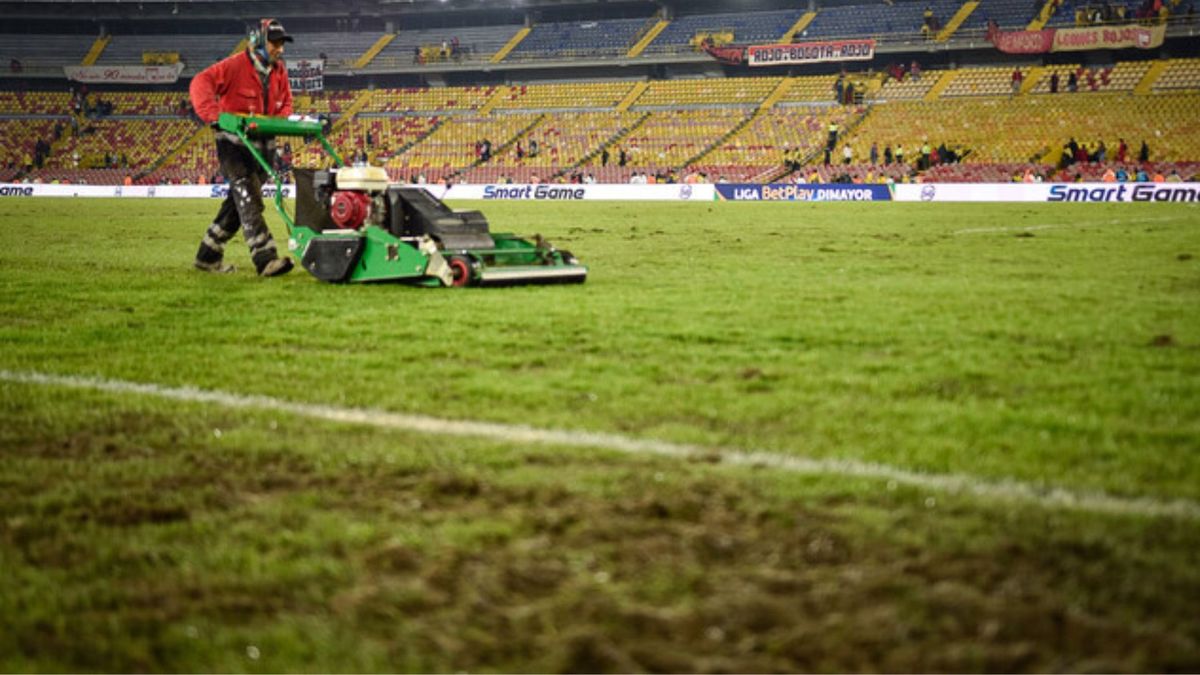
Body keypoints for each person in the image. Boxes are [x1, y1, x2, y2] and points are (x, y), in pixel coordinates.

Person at [188, 18, 296, 277]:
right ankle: (265, 258)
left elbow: (287, 103)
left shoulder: (279, 71)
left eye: (282, 44)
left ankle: (207, 257)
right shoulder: (235, 65)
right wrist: (214, 116)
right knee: (249, 197)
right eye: (274, 43)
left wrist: (278, 120)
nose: (280, 49)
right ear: (258, 41)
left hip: (264, 146)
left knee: (238, 204)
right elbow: (200, 82)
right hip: (234, 144)